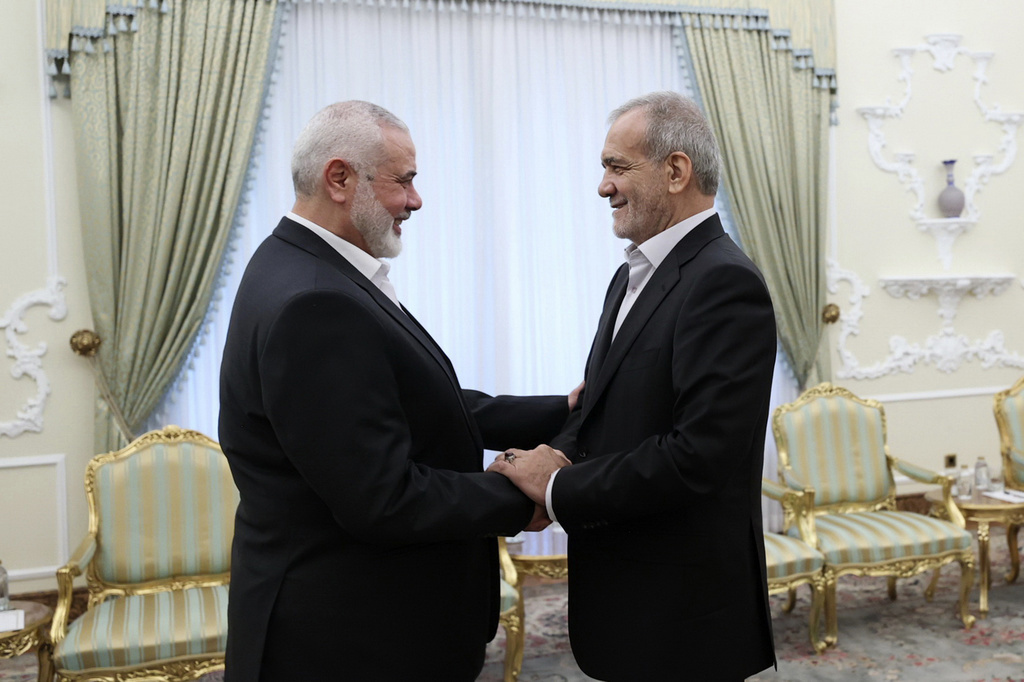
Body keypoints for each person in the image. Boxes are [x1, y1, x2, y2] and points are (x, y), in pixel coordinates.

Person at [218, 101, 574, 682]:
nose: (416, 199)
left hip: (354, 618)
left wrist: (560, 409)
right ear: (340, 178)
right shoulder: (316, 302)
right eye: (403, 180)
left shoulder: (297, 262)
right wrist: (529, 493)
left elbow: (416, 406)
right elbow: (383, 498)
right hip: (351, 637)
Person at [490, 92, 777, 680]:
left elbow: (699, 457)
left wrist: (559, 487)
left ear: (676, 171)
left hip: (683, 614)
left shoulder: (725, 282)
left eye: (617, 167)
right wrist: (558, 454)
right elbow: (597, 402)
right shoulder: (629, 277)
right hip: (625, 594)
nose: (602, 186)